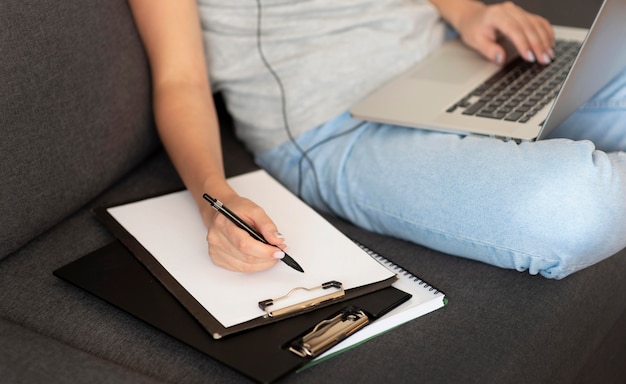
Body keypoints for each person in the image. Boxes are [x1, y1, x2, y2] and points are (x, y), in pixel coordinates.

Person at [128, 0, 626, 279]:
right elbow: (180, 81)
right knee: (574, 208)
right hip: (335, 126)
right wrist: (216, 199)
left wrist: (467, 12)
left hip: (457, 62)